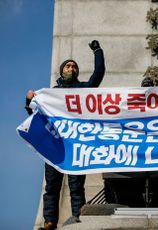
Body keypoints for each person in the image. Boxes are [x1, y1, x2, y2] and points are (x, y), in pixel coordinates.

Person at [25, 40, 106, 230]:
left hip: (76, 147)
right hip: (55, 146)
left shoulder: (84, 90)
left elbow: (99, 73)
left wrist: (97, 51)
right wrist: (28, 100)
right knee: (52, 186)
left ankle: (78, 218)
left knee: (76, 186)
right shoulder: (50, 94)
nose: (72, 68)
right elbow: (34, 116)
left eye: (74, 66)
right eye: (68, 66)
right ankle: (49, 221)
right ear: (62, 71)